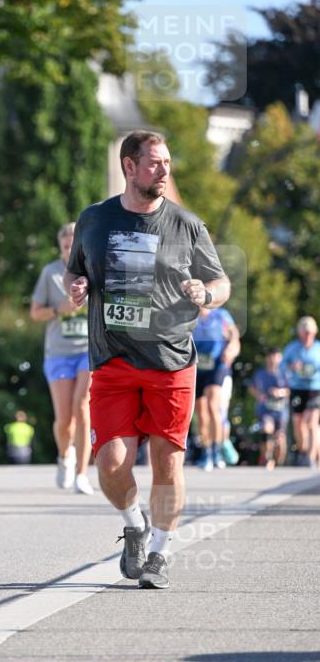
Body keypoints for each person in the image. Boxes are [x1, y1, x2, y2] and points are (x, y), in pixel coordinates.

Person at [65, 130, 231, 590]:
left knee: (167, 462)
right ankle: (134, 525)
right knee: (111, 464)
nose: (164, 171)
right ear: (129, 166)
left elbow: (221, 283)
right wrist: (74, 287)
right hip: (113, 359)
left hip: (171, 360)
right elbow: (75, 271)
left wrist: (207, 293)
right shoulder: (94, 220)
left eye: (167, 163)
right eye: (155, 163)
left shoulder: (186, 225)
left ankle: (159, 551)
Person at [30, 223, 93, 494]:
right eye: (66, 246)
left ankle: (82, 473)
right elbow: (35, 313)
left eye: (74, 245)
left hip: (88, 351)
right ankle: (64, 456)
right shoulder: (50, 273)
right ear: (60, 247)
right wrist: (59, 308)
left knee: (83, 407)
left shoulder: (94, 269)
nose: (70, 250)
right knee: (65, 418)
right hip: (58, 352)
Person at [192, 305, 241, 470]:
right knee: (200, 412)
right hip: (197, 366)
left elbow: (234, 335)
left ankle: (217, 449)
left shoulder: (220, 315)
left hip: (217, 364)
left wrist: (231, 349)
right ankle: (206, 451)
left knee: (213, 405)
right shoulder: (189, 315)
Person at [280, 316, 320, 467]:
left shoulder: (318, 348)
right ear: (300, 333)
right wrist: (291, 367)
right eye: (305, 332)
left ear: (314, 333)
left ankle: (311, 457)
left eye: (310, 332)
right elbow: (281, 366)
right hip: (297, 388)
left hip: (316, 388)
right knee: (298, 423)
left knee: (312, 422)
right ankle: (303, 451)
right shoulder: (292, 348)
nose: (307, 336)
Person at [248, 347, 290, 469]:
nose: (272, 359)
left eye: (275, 356)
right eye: (270, 356)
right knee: (266, 429)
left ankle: (278, 463)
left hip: (281, 411)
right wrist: (259, 395)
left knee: (280, 438)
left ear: (280, 358)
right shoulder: (260, 373)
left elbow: (290, 390)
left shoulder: (284, 373)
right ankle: (267, 458)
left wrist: (280, 392)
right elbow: (252, 387)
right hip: (265, 410)